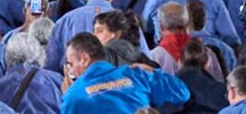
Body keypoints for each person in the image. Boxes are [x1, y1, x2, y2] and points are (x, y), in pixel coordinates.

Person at [60, 34, 190, 114]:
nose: (70, 71)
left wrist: (67, 97)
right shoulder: (136, 75)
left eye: (71, 64)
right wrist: (152, 71)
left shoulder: (74, 95)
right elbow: (182, 92)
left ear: (84, 59)